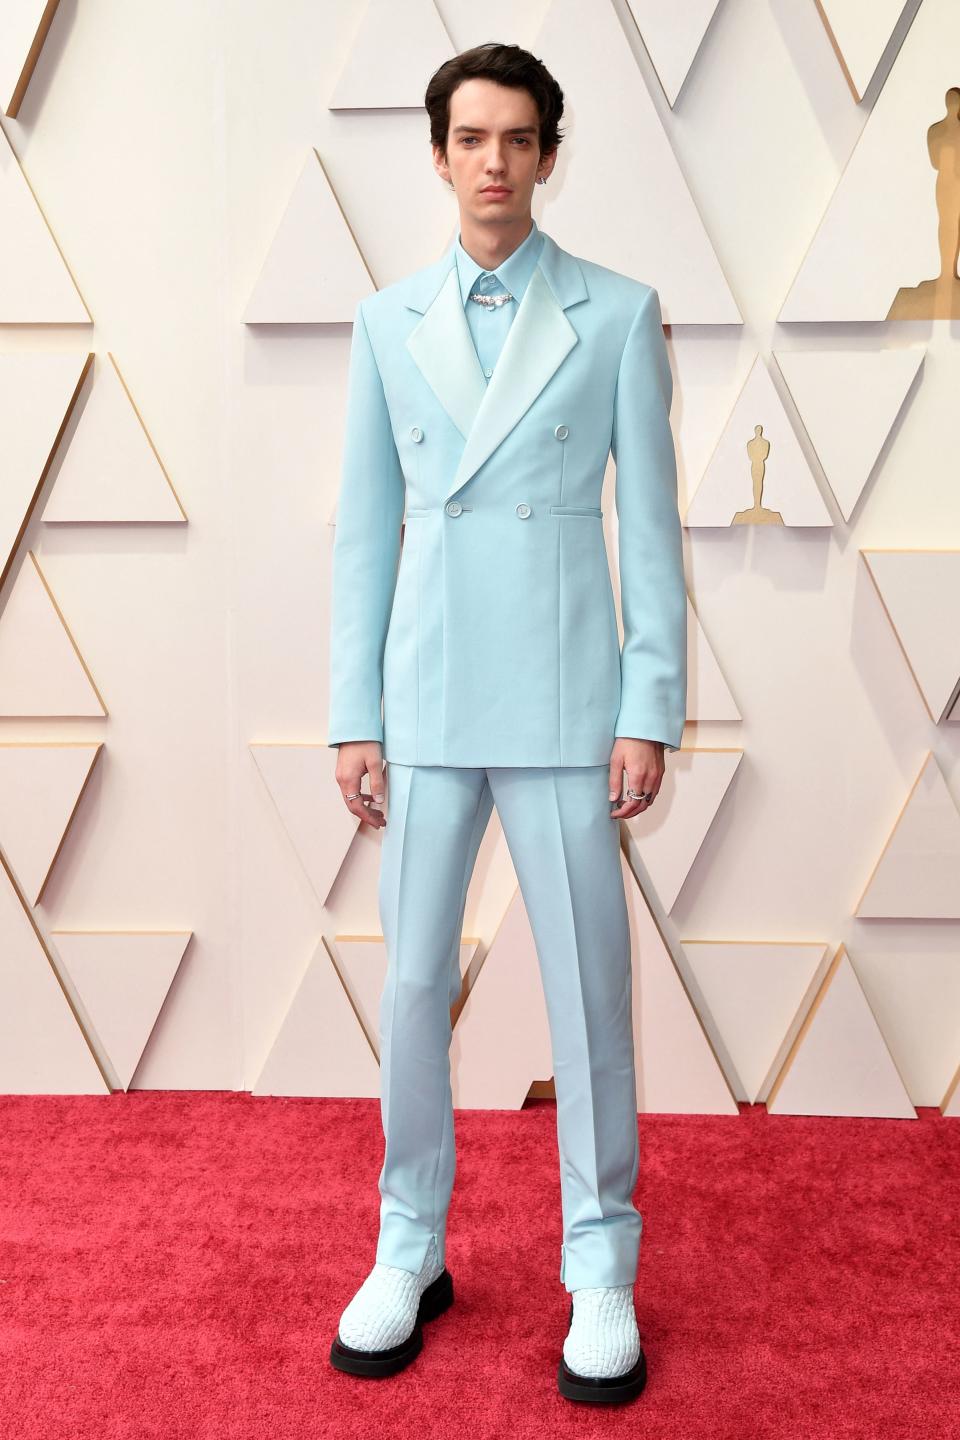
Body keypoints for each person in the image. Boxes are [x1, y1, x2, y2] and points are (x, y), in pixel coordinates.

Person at [325, 41, 686, 1405]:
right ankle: (406, 1243)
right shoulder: (384, 324)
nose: (492, 161)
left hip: (562, 702)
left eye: (517, 138)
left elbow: (646, 532)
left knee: (591, 999)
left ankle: (601, 1264)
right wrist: (353, 710)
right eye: (469, 138)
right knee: (415, 988)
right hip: (422, 699)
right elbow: (368, 532)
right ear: (437, 155)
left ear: (548, 155)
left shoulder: (616, 313)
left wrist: (646, 707)